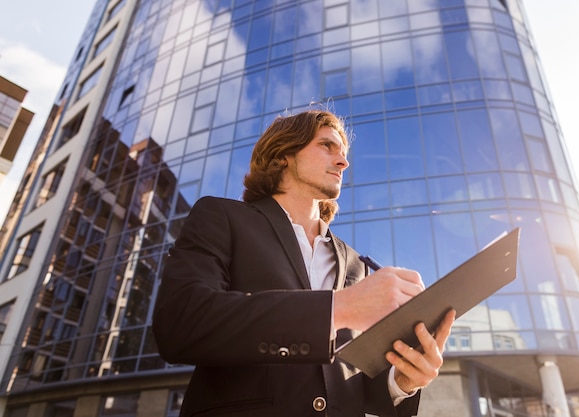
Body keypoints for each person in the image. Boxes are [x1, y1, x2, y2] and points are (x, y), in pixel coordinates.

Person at [152, 109, 456, 417]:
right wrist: (339, 308)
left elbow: (353, 382)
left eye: (344, 152)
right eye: (327, 146)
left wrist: (401, 381)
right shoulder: (222, 217)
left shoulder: (356, 264)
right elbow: (181, 322)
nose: (343, 161)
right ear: (283, 154)